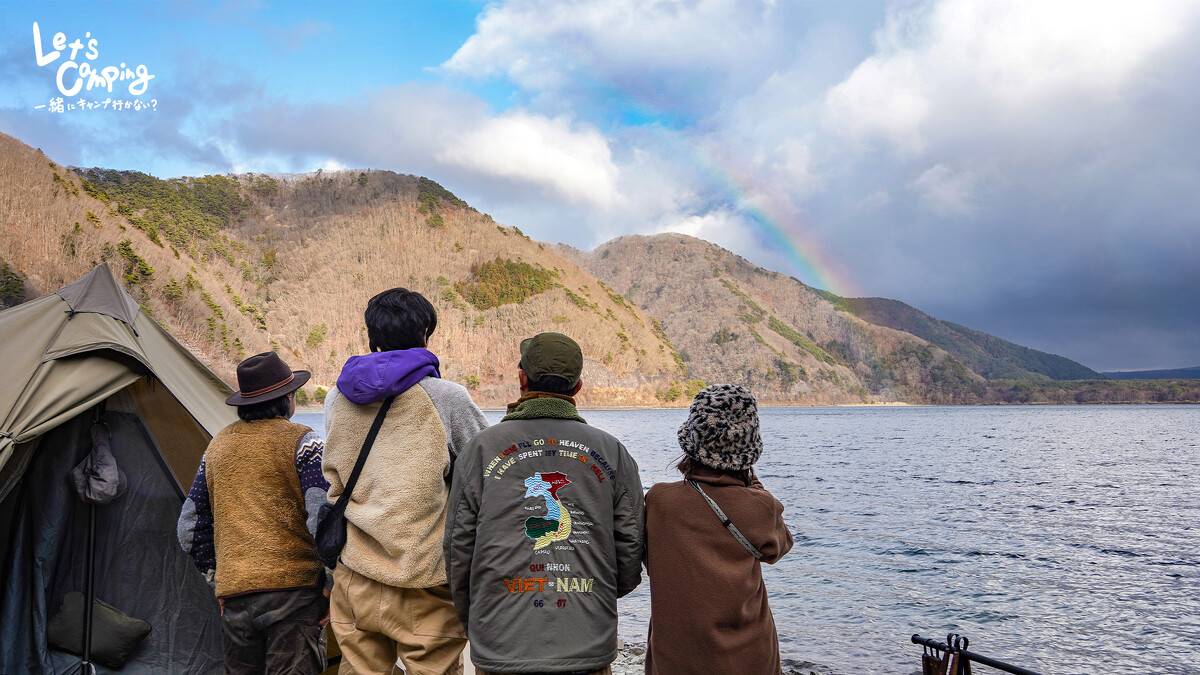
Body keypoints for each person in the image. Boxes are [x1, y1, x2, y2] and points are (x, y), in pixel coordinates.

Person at [445, 331, 645, 675]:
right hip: (586, 642)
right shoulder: (612, 452)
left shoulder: (480, 450)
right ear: (578, 387)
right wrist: (591, 596)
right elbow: (630, 552)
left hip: (501, 642)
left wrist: (477, 619)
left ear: (522, 378)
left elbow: (457, 552)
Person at [323, 287, 488, 675]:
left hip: (354, 574)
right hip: (423, 577)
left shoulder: (336, 398)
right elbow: (489, 472)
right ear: (425, 335)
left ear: (371, 336)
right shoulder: (447, 397)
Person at [178, 351, 331, 675]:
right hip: (295, 594)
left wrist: (220, 577)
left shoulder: (218, 445)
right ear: (287, 398)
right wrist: (330, 583)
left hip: (236, 598)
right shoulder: (303, 441)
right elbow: (321, 517)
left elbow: (188, 527)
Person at [644, 384, 794, 675]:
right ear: (749, 449)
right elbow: (779, 548)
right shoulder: (761, 507)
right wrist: (752, 481)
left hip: (675, 657)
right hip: (750, 656)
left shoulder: (659, 500)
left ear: (690, 439)